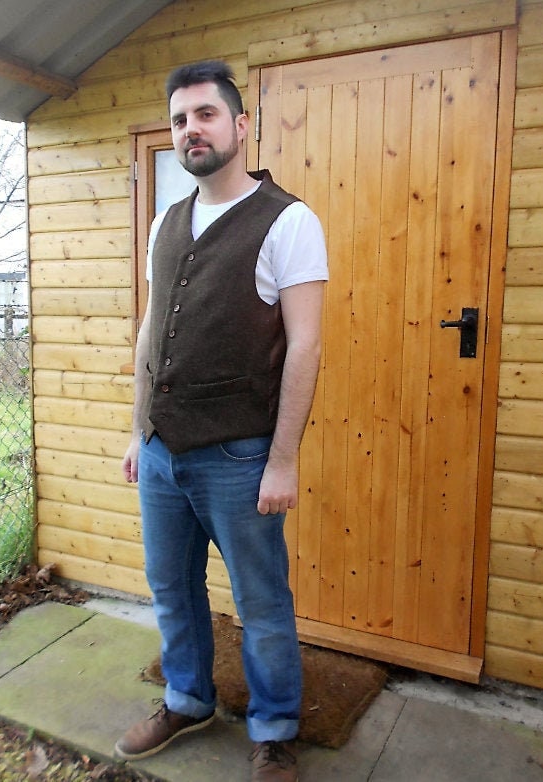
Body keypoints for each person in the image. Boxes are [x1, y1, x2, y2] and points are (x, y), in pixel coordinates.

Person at [115, 60, 328, 782]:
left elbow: (305, 344)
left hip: (240, 456)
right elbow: (151, 330)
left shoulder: (288, 221)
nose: (190, 130)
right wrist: (136, 426)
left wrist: (283, 458)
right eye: (179, 120)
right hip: (163, 450)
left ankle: (273, 731)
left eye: (204, 114)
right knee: (171, 587)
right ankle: (186, 699)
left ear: (238, 125)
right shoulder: (166, 223)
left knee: (260, 601)